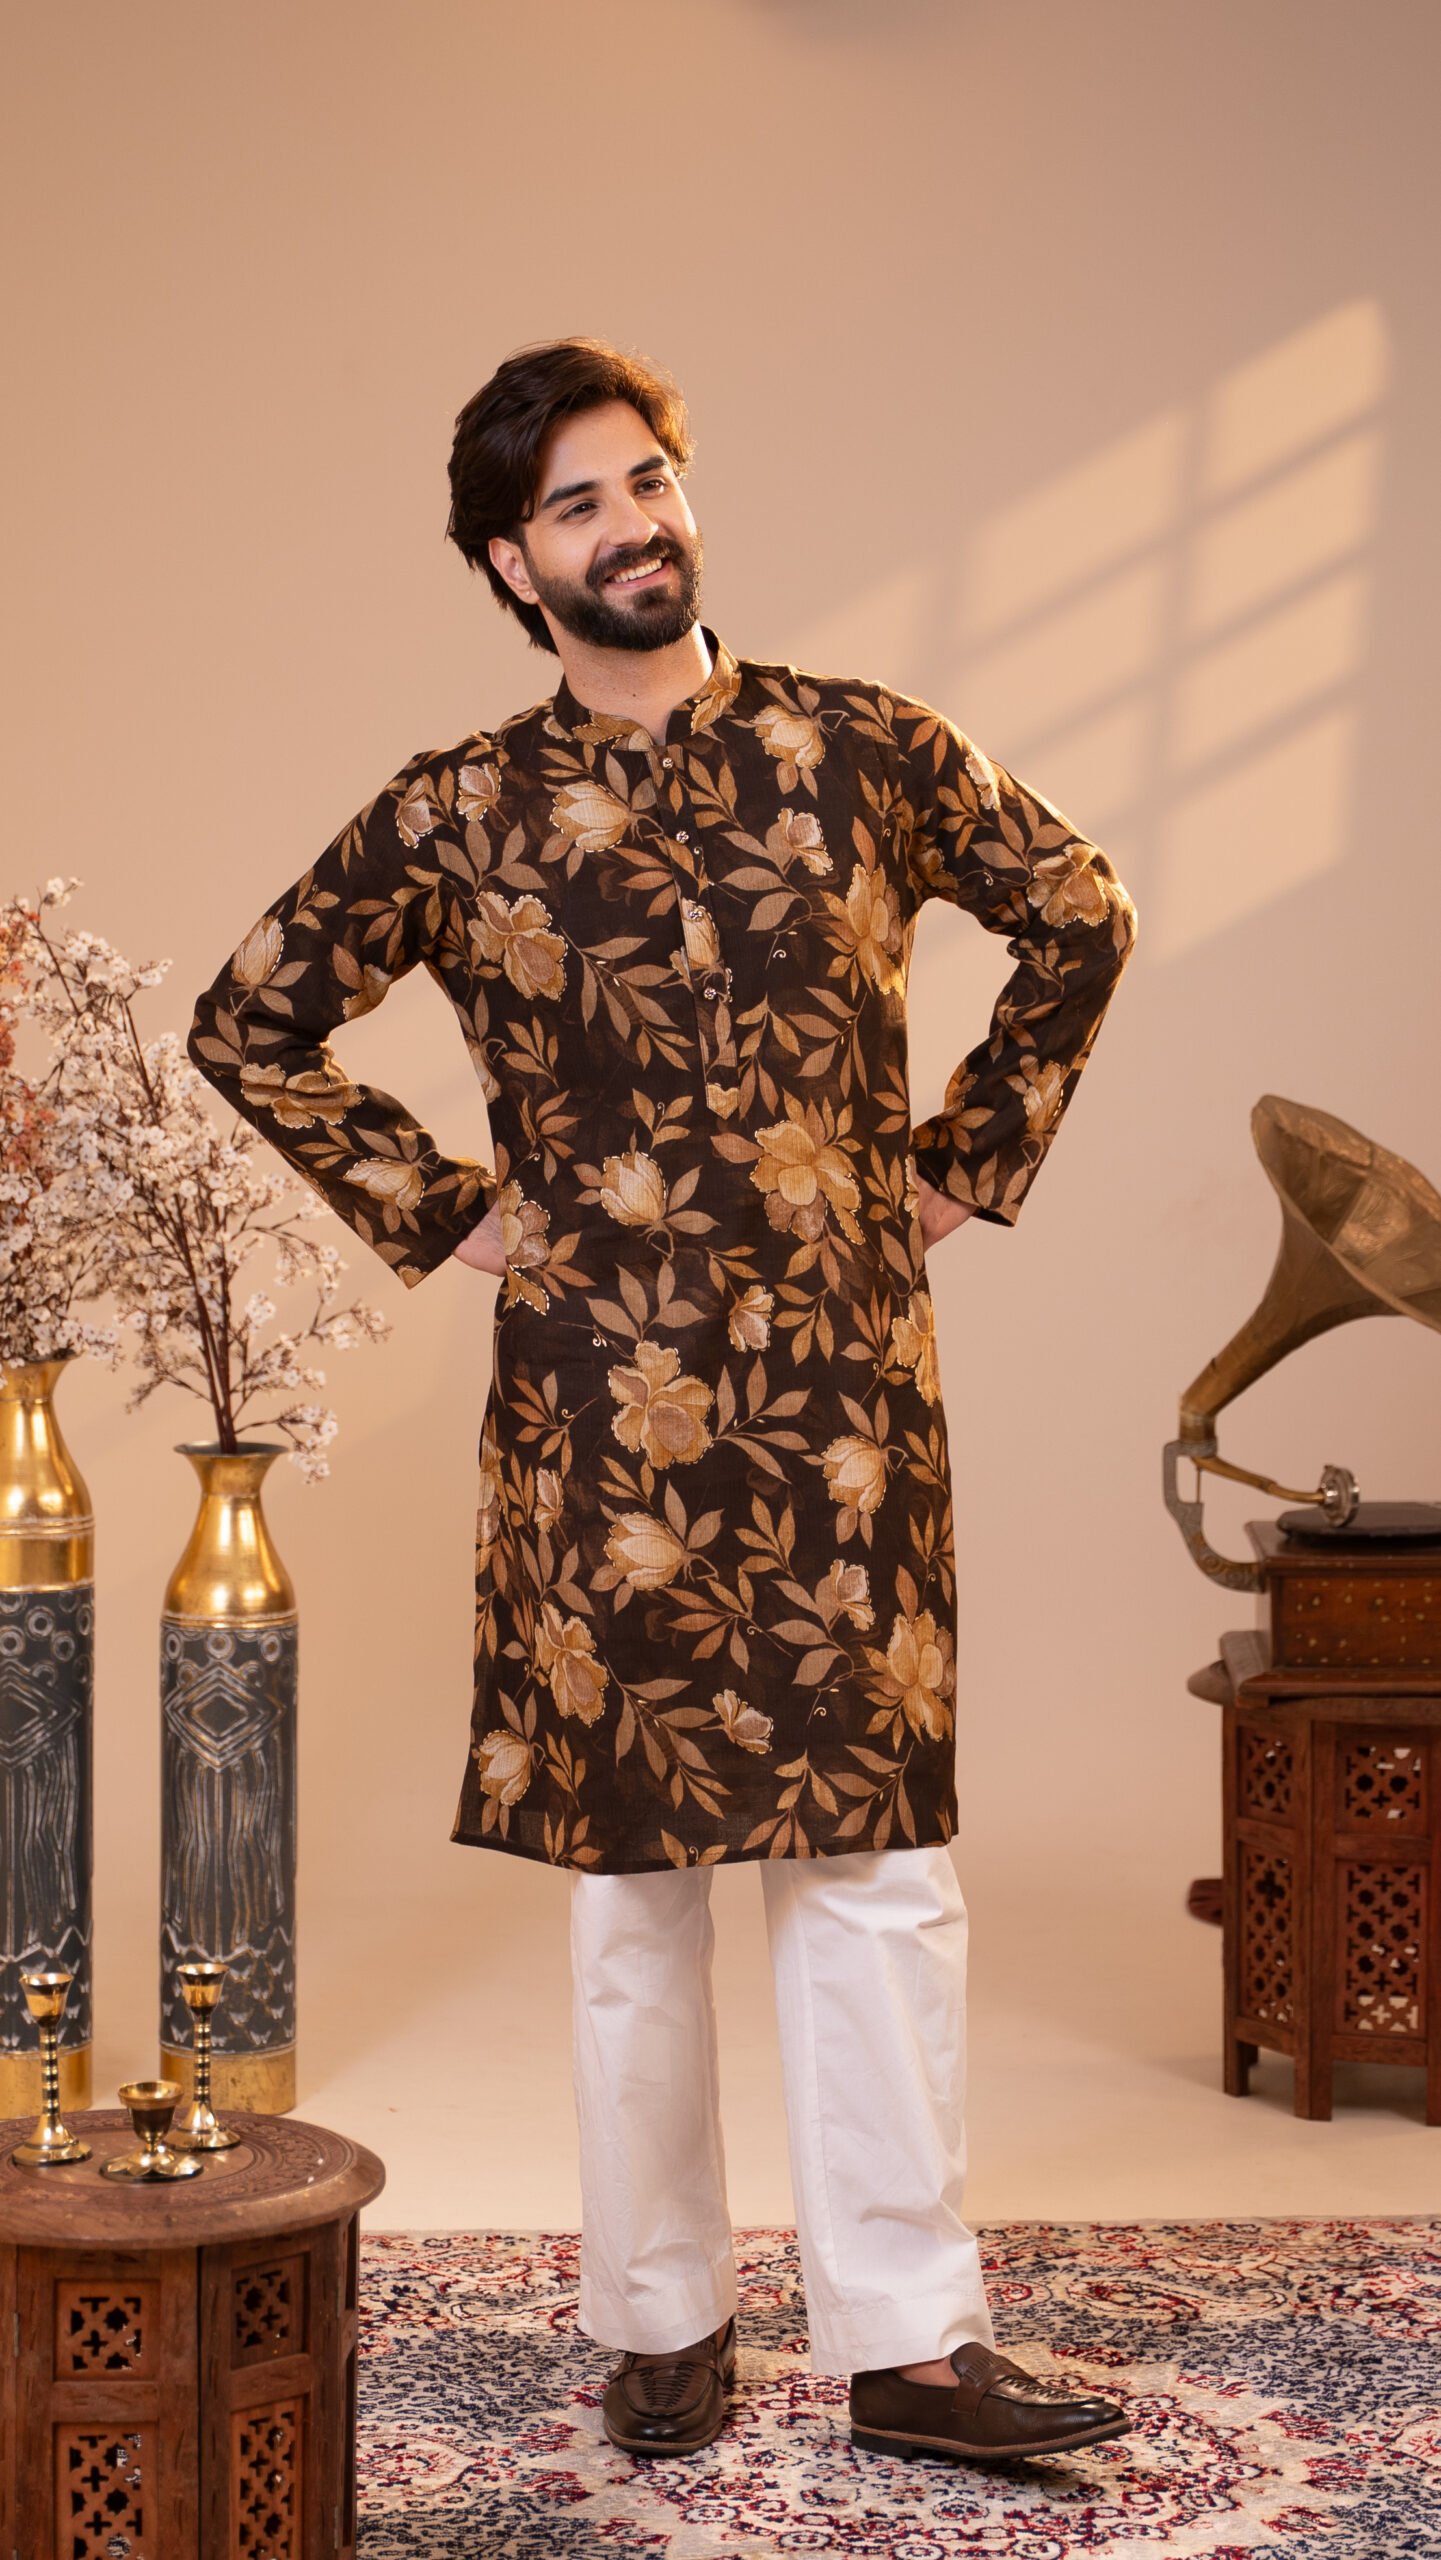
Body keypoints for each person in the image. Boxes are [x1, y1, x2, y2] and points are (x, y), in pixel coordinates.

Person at [188, 337, 1138, 2465]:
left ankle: (910, 2340)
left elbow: (1082, 911)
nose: (631, 527)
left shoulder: (862, 749)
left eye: (648, 482)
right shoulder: (458, 810)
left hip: (845, 1402)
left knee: (877, 1868)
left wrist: (962, 1160)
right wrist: (447, 1210)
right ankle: (661, 2318)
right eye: (576, 506)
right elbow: (249, 1020)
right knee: (635, 1889)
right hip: (597, 1415)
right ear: (507, 564)